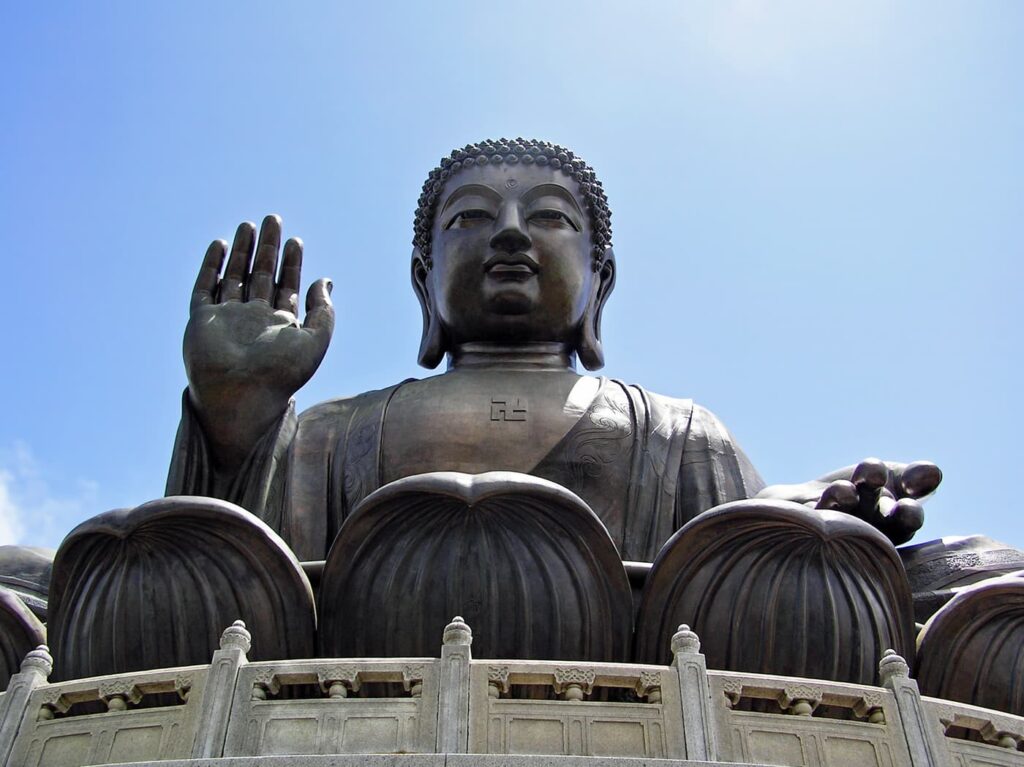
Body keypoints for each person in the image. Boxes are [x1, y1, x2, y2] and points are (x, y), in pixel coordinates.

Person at [167, 139, 939, 563]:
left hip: (633, 665)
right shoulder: (326, 435)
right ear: (422, 280)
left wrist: (787, 529)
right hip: (357, 661)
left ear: (598, 282)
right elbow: (215, 577)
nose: (508, 232)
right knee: (50, 576)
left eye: (548, 218)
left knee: (979, 570)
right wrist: (235, 424)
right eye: (470, 217)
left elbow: (725, 569)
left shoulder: (680, 435)